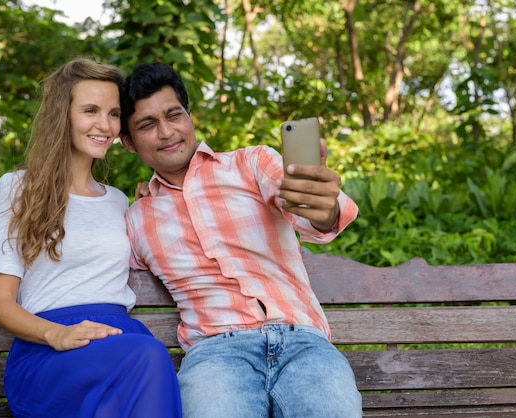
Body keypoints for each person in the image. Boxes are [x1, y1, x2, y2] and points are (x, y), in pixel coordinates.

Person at [119, 62, 363, 417]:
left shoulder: (252, 164)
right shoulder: (136, 219)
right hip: (216, 355)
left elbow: (314, 216)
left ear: (190, 116)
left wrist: (319, 204)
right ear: (127, 142)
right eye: (147, 124)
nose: (167, 131)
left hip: (304, 344)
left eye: (174, 115)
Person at [0, 58, 182, 418]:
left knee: (140, 362)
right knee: (149, 357)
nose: (104, 125)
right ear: (63, 116)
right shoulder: (17, 189)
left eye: (113, 113)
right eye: (90, 110)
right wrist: (57, 335)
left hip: (120, 341)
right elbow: (0, 305)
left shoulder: (119, 201)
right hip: (49, 349)